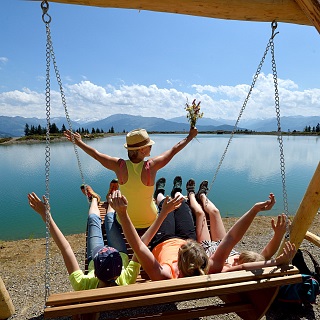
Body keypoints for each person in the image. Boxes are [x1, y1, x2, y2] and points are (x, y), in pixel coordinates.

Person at [107, 177, 296, 281]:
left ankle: (161, 195)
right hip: (185, 236)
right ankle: (173, 193)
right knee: (180, 205)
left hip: (162, 240)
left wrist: (124, 215)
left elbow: (139, 247)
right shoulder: (208, 269)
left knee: (167, 204)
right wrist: (254, 209)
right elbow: (231, 240)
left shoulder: (165, 274)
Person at [64, 127, 198, 229]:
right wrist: (190, 137)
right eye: (149, 145)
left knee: (112, 211)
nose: (151, 146)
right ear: (142, 150)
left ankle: (102, 197)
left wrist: (79, 143)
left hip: (125, 221)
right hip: (150, 220)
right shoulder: (151, 166)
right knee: (157, 204)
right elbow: (174, 150)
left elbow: (96, 154)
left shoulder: (119, 166)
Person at [27, 186, 141, 290]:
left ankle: (95, 199)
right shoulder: (125, 279)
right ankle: (110, 201)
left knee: (96, 220)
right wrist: (46, 216)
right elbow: (140, 247)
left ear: (95, 274)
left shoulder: (86, 284)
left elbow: (66, 249)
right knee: (109, 220)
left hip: (116, 254)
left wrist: (46, 215)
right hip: (112, 254)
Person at [186, 178, 294, 273]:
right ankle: (202, 195)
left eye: (237, 259)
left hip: (207, 246)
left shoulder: (223, 269)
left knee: (201, 214)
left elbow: (234, 243)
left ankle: (190, 194)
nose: (236, 258)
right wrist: (278, 235)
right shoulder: (253, 264)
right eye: (239, 256)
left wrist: (277, 261)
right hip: (222, 243)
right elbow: (267, 253)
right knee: (215, 212)